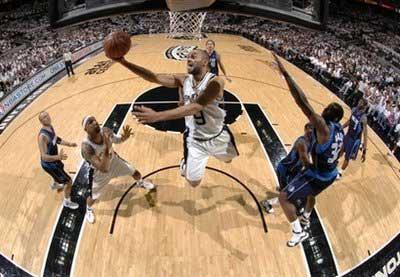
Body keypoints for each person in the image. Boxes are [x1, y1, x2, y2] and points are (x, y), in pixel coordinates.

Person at [113, 49, 239, 187]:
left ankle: (211, 155)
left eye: (193, 56)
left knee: (229, 160)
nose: (189, 59)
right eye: (188, 57)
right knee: (193, 183)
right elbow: (153, 77)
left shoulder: (216, 81)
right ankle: (185, 164)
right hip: (195, 140)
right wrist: (124, 62)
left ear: (205, 61)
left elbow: (197, 106)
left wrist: (157, 116)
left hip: (219, 135)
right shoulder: (183, 80)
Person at [273, 53, 344, 247]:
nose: (325, 109)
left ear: (332, 117)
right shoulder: (339, 130)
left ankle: (299, 232)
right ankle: (306, 215)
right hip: (331, 173)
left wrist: (286, 74)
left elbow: (302, 102)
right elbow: (340, 150)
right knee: (309, 195)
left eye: (328, 109)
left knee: (284, 197)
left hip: (319, 175)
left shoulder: (325, 127)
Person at [81, 116, 155, 223]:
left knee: (135, 172)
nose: (94, 122)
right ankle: (88, 209)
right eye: (90, 122)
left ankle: (140, 182)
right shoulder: (86, 147)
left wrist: (125, 137)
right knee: (93, 196)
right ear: (86, 129)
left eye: (94, 120)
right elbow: (103, 168)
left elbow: (117, 140)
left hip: (114, 161)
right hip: (99, 173)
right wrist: (106, 147)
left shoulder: (105, 130)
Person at [261, 123, 314, 217]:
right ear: (305, 129)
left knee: (290, 192)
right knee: (287, 195)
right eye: (309, 130)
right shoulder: (301, 141)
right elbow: (303, 157)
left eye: (313, 131)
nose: (311, 132)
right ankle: (267, 203)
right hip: (285, 170)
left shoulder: (312, 141)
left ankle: (283, 191)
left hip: (294, 171)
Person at [38, 111, 79, 209]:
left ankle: (55, 184)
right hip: (49, 164)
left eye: (47, 115)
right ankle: (67, 202)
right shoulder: (42, 136)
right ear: (41, 121)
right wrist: (58, 157)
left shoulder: (50, 127)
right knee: (68, 181)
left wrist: (69, 144)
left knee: (61, 168)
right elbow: (44, 157)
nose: (47, 118)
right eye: (44, 117)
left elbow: (56, 139)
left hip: (54, 160)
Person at [337, 98, 368, 179]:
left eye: (360, 102)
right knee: (341, 150)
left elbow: (365, 135)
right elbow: (350, 121)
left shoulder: (363, 118)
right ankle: (333, 163)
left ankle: (340, 172)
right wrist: (342, 127)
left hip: (354, 140)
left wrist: (364, 151)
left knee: (347, 157)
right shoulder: (354, 110)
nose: (358, 103)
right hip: (348, 135)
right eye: (359, 101)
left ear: (364, 106)